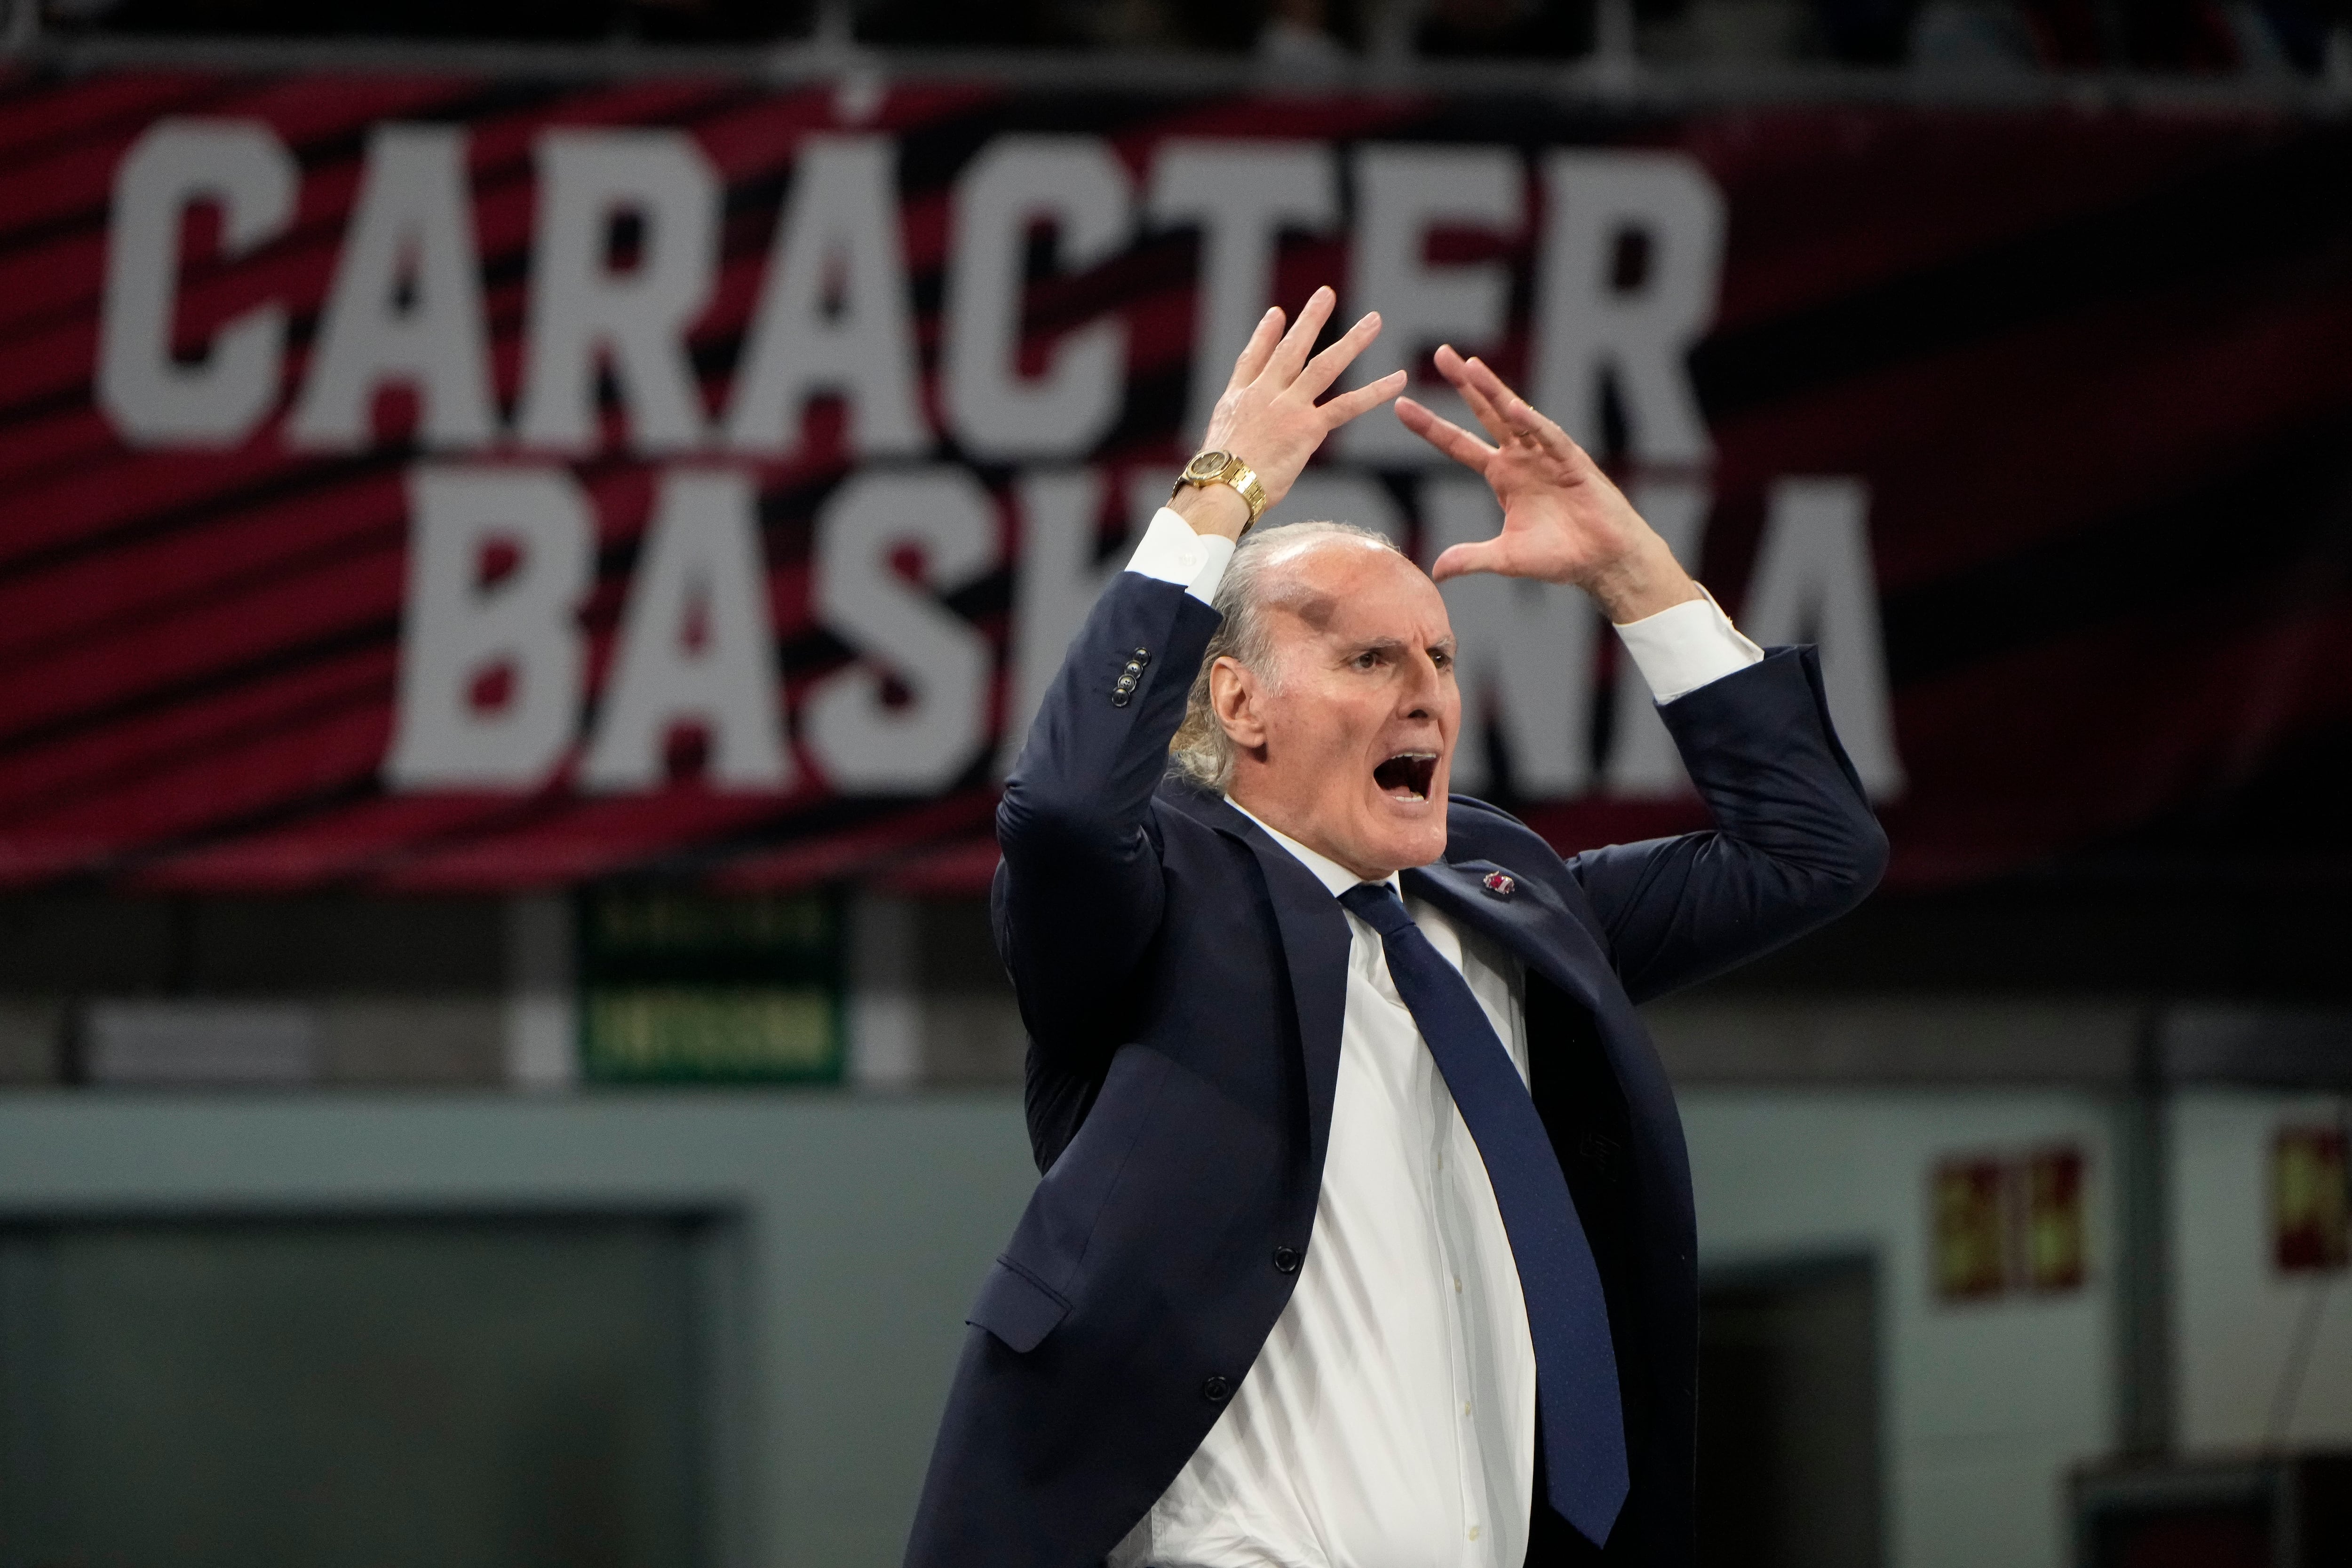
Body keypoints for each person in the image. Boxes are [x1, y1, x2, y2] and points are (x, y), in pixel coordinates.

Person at [905, 286, 1888, 1568]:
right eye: (1372, 661)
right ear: (1242, 704)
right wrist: (1219, 493)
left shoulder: (1505, 897)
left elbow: (1812, 850)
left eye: (1441, 660)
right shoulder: (1159, 901)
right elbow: (1064, 812)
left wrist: (1631, 574)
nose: (1427, 695)